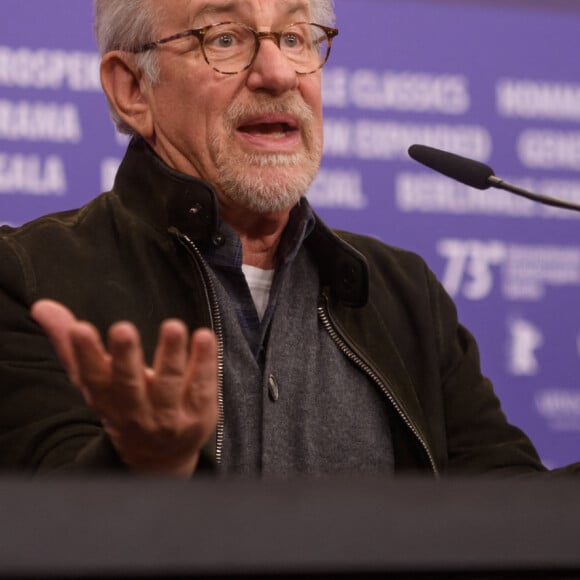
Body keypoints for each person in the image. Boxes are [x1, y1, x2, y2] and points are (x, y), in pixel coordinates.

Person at [0, 0, 576, 478]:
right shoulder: (27, 278)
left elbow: (511, 514)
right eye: (223, 38)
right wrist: (146, 464)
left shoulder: (405, 295)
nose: (278, 74)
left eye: (298, 38)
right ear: (131, 89)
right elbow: (36, 528)